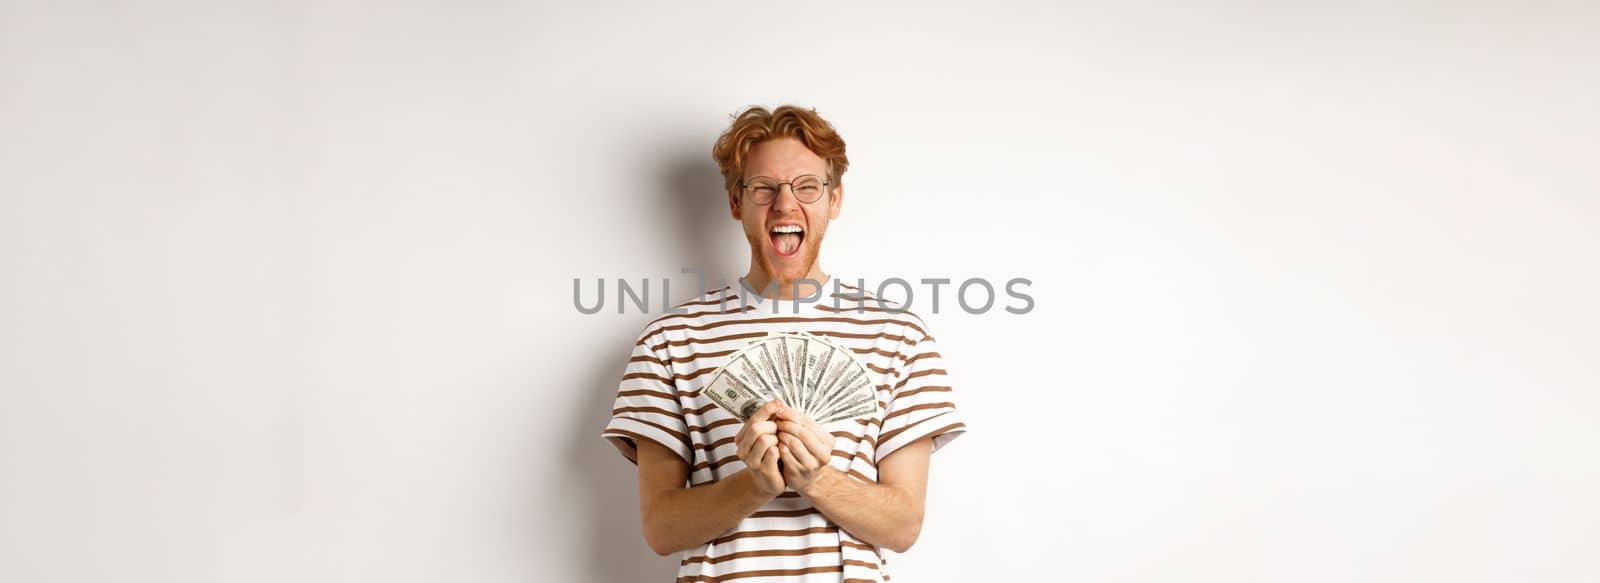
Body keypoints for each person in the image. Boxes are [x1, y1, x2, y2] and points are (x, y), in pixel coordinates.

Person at [602, 105, 966, 582]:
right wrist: (754, 485)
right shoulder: (669, 341)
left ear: (834, 200)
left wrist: (816, 479)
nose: (786, 205)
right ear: (736, 202)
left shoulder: (899, 336)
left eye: (807, 187)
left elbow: (902, 525)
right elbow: (661, 529)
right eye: (764, 188)